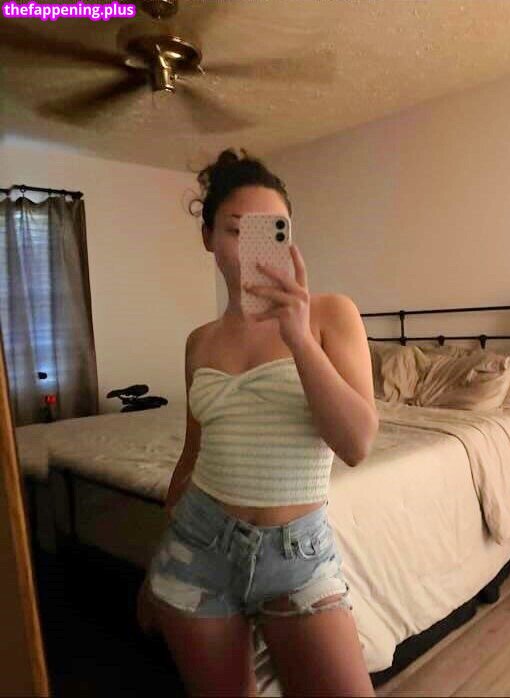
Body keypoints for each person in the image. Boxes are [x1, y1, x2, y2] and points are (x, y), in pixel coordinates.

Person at [137, 148, 378, 696]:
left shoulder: (331, 314)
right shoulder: (199, 342)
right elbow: (194, 453)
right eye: (234, 229)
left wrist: (298, 338)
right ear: (209, 238)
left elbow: (357, 443)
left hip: (298, 556)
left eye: (272, 230)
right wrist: (163, 559)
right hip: (195, 548)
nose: (253, 245)